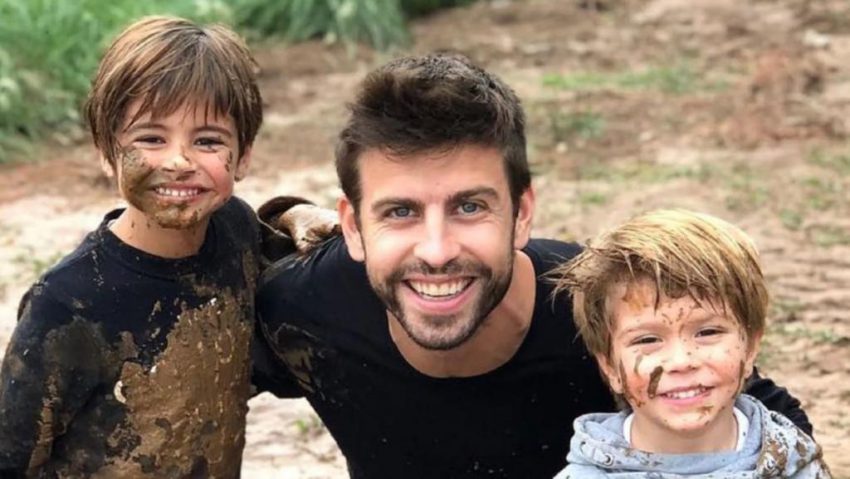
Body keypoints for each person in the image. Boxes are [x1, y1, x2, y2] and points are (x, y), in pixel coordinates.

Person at [254, 53, 812, 479]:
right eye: (400, 212)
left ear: (521, 213)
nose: (437, 250)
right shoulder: (300, 310)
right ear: (352, 226)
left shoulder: (604, 308)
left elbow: (775, 426)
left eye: (469, 207)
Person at [0, 16, 265, 477]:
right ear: (107, 152)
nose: (179, 161)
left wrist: (298, 214)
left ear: (242, 156)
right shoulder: (67, 305)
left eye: (207, 141)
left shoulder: (237, 232)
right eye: (151, 138)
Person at [550, 209, 831, 478]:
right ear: (610, 367)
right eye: (648, 339)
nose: (681, 361)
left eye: (707, 332)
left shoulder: (796, 461)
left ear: (750, 348)